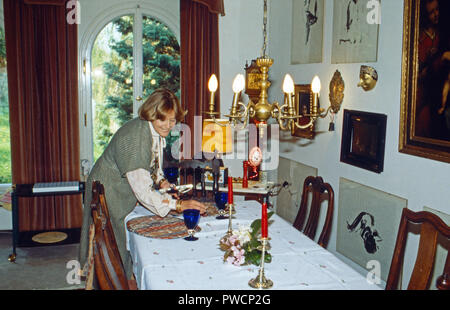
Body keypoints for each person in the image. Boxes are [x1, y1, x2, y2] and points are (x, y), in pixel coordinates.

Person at [79, 88, 207, 279]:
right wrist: (178, 205)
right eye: (163, 119)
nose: (168, 125)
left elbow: (152, 164)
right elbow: (144, 192)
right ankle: (116, 278)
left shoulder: (150, 129)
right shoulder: (136, 138)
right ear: (152, 113)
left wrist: (162, 182)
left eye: (173, 120)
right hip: (110, 189)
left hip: (116, 186)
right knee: (114, 241)